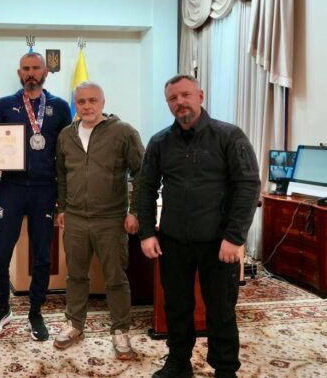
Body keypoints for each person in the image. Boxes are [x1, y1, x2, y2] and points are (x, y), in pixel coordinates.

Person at [138, 74, 260, 378]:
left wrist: (235, 237)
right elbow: (145, 187)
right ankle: (178, 362)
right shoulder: (159, 142)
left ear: (200, 96)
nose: (180, 102)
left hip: (219, 243)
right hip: (173, 241)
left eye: (186, 95)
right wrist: (147, 232)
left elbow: (248, 185)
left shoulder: (229, 136)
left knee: (221, 309)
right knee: (177, 306)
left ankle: (225, 369)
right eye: (172, 98)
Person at [0, 52, 72, 341]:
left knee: (42, 253)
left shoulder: (59, 107)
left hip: (45, 188)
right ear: (19, 73)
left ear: (45, 72)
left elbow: (66, 153)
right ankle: (2, 306)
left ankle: (35, 311)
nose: (31, 73)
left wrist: (63, 200)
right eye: (26, 69)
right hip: (12, 187)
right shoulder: (6, 104)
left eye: (35, 68)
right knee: (0, 248)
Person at [53, 81, 144, 359]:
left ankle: (120, 330)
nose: (87, 106)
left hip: (111, 219)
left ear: (103, 102)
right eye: (81, 101)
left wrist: (135, 211)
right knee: (75, 275)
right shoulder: (66, 135)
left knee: (115, 277)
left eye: (92, 100)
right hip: (75, 219)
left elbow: (142, 173)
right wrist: (62, 207)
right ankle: (74, 324)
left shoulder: (123, 132)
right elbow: (62, 175)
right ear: (75, 105)